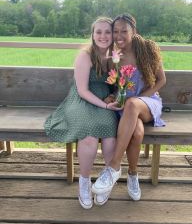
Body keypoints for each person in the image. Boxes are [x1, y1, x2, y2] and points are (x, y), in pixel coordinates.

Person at [45, 17, 121, 209]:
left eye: (107, 32)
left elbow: (120, 84)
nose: (103, 36)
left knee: (110, 135)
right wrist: (104, 106)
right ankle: (84, 182)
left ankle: (106, 182)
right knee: (89, 136)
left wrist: (114, 98)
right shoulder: (85, 55)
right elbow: (82, 91)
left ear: (113, 34)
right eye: (98, 32)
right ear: (92, 34)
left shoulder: (116, 56)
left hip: (104, 100)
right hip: (82, 99)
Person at [92, 13, 166, 201]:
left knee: (133, 104)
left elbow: (161, 80)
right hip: (127, 106)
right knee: (137, 133)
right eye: (115, 31)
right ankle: (133, 175)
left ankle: (114, 166)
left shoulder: (148, 49)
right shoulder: (115, 57)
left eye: (124, 31)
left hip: (149, 102)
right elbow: (116, 86)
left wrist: (141, 98)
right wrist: (111, 96)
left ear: (134, 31)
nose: (119, 36)